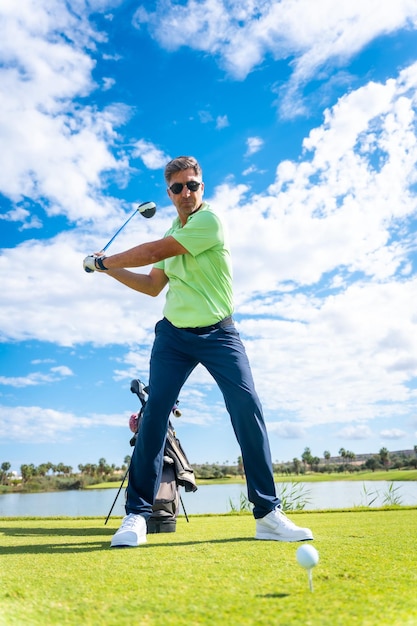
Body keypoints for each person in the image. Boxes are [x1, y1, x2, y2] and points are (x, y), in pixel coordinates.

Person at [83, 156, 313, 547]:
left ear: (201, 188)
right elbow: (153, 286)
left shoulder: (209, 223)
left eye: (193, 185)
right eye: (177, 187)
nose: (186, 192)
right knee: (154, 415)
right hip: (174, 336)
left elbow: (155, 250)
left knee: (247, 408)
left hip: (220, 332)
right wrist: (109, 270)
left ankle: (268, 514)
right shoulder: (174, 229)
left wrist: (105, 259)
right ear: (169, 193)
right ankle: (136, 516)